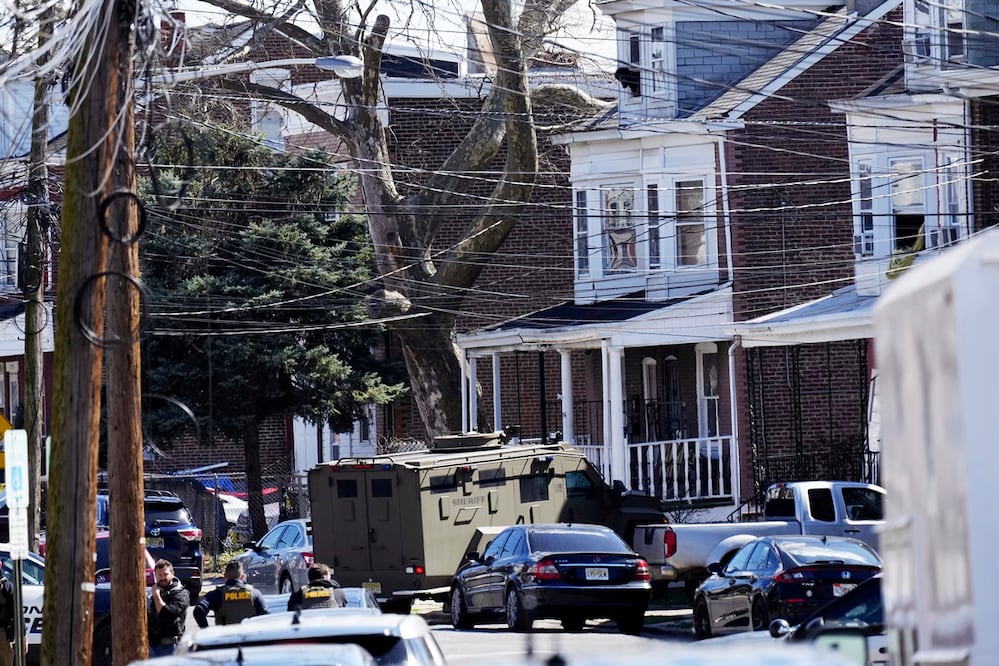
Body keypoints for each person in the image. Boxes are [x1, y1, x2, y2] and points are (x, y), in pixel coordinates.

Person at [194, 560, 267, 627]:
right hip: (250, 638)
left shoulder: (217, 595)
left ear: (225, 576)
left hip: (226, 639)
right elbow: (265, 617)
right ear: (242, 577)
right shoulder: (254, 594)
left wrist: (206, 630)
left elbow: (199, 610)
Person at [147, 559, 190, 657]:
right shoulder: (156, 591)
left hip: (171, 647)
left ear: (172, 573)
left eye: (165, 574)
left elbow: (165, 614)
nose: (162, 578)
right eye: (159, 575)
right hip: (152, 647)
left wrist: (156, 595)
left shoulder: (180, 594)